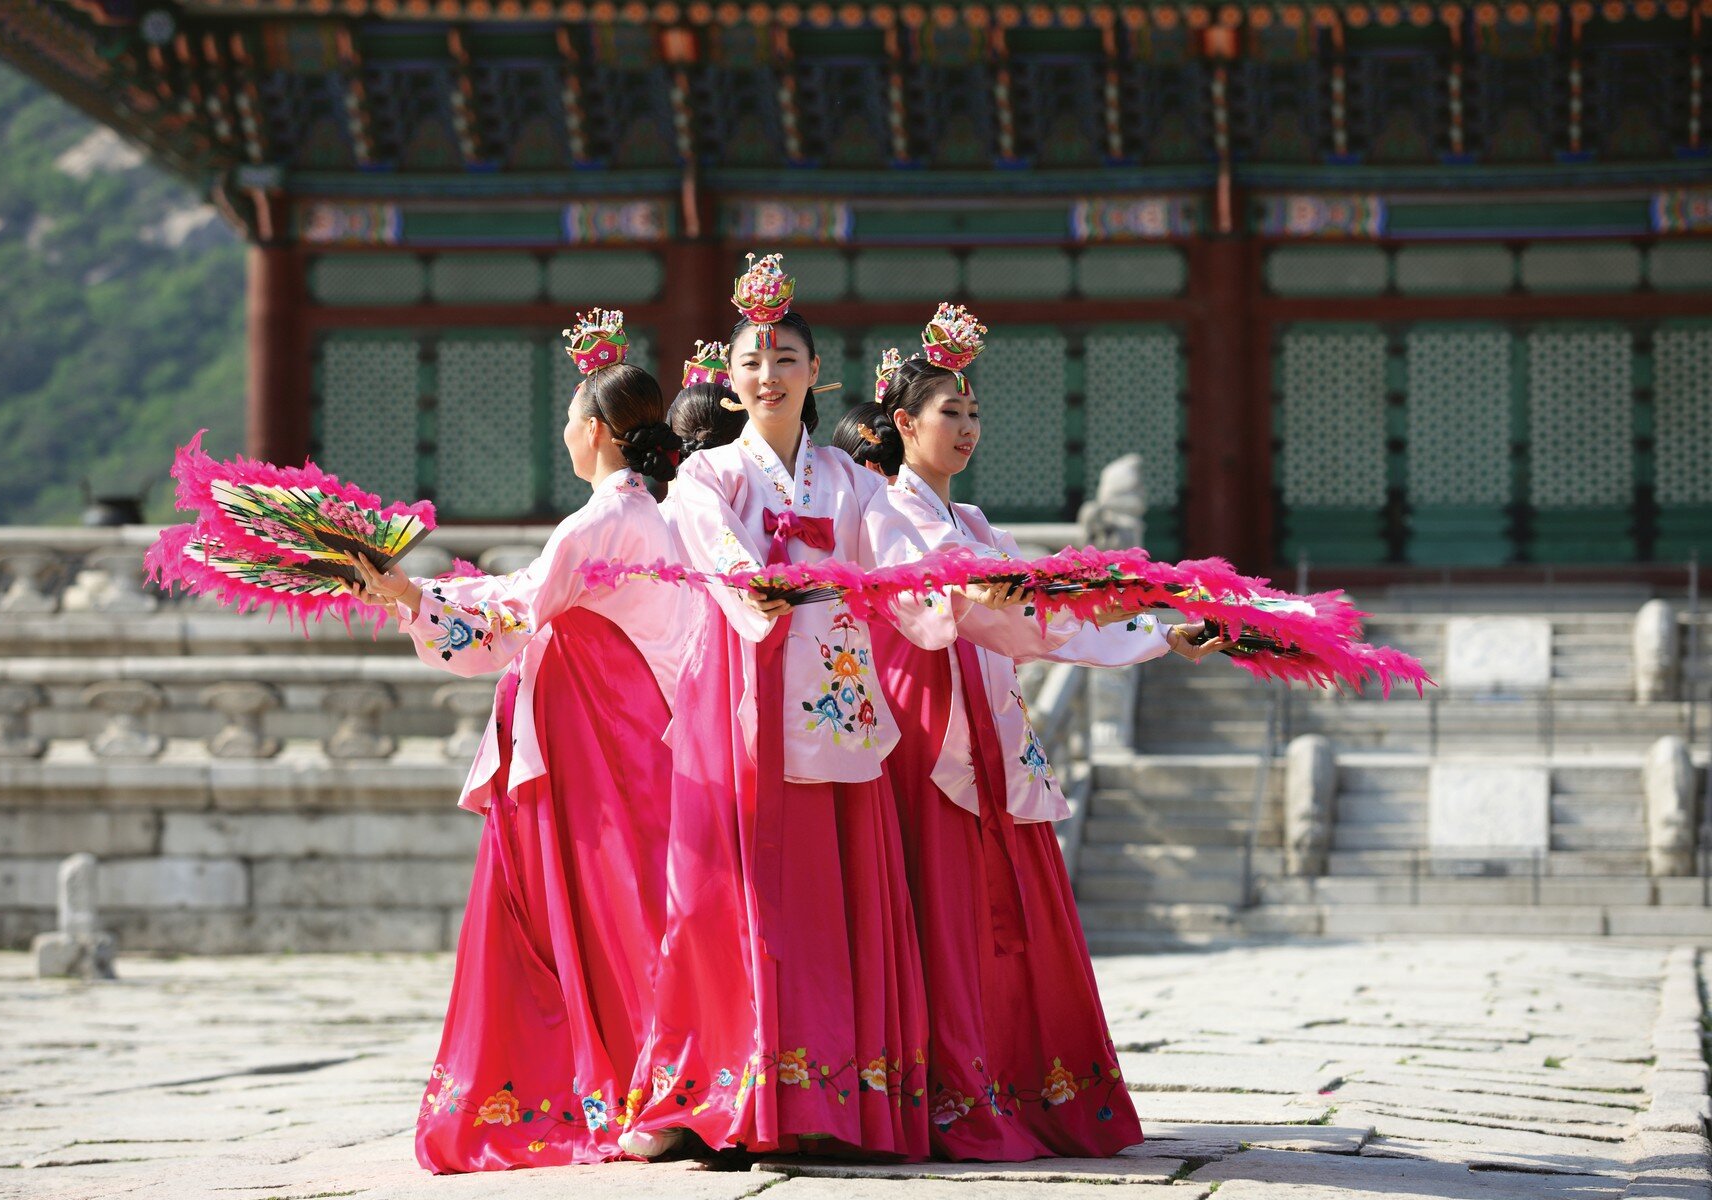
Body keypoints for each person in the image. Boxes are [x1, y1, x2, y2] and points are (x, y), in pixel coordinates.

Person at [618, 255, 1012, 1162]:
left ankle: (832, 1094)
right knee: (729, 883)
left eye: (786, 358)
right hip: (742, 687)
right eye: (753, 359)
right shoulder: (711, 474)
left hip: (833, 698)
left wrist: (954, 600)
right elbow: (713, 550)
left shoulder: (851, 477)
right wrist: (760, 587)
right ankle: (713, 1089)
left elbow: (908, 567)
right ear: (732, 374)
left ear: (814, 375)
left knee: (833, 889)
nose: (768, 373)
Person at [858, 305, 1233, 1162]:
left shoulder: (983, 526)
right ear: (905, 424)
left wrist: (1156, 632)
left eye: (974, 413)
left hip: (992, 727)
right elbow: (933, 611)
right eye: (948, 412)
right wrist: (978, 594)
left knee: (1012, 912)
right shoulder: (882, 514)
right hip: (926, 729)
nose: (965, 428)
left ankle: (1024, 1086)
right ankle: (948, 1093)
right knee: (941, 906)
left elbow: (1051, 620)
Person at [345, 308, 693, 1172]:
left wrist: (407, 597)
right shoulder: (652, 513)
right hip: (637, 739)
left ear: (600, 432)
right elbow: (527, 592)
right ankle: (673, 1085)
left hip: (597, 752)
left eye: (574, 418)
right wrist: (419, 590)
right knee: (640, 910)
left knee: (602, 914)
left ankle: (633, 1093)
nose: (566, 433)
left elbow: (512, 618)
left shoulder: (597, 523)